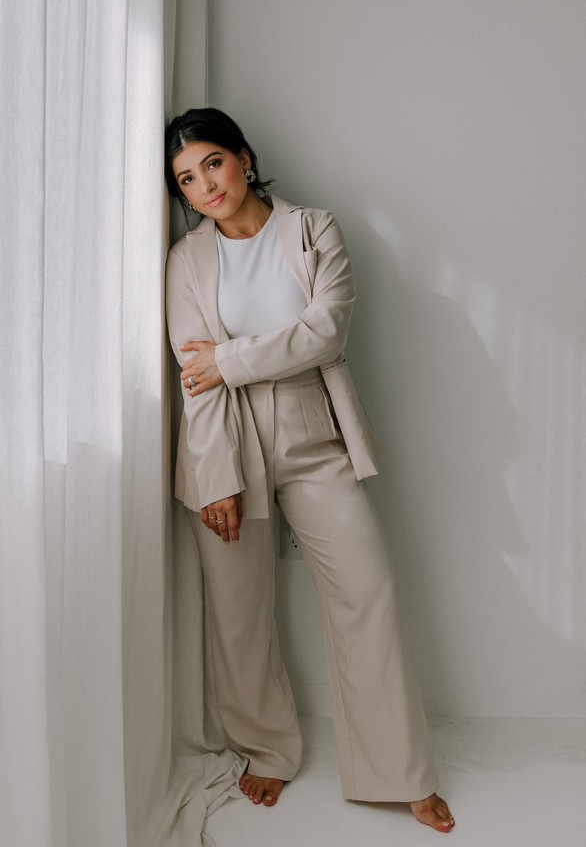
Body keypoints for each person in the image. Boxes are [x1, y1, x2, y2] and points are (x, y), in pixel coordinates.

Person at [164, 107, 455, 833]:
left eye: (213, 164)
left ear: (246, 157)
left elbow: (328, 331)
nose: (205, 186)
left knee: (368, 588)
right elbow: (191, 379)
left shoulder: (312, 228)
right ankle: (265, 749)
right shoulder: (187, 261)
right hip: (226, 437)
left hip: (311, 431)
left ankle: (399, 770)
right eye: (186, 180)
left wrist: (230, 359)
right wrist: (214, 473)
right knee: (239, 611)